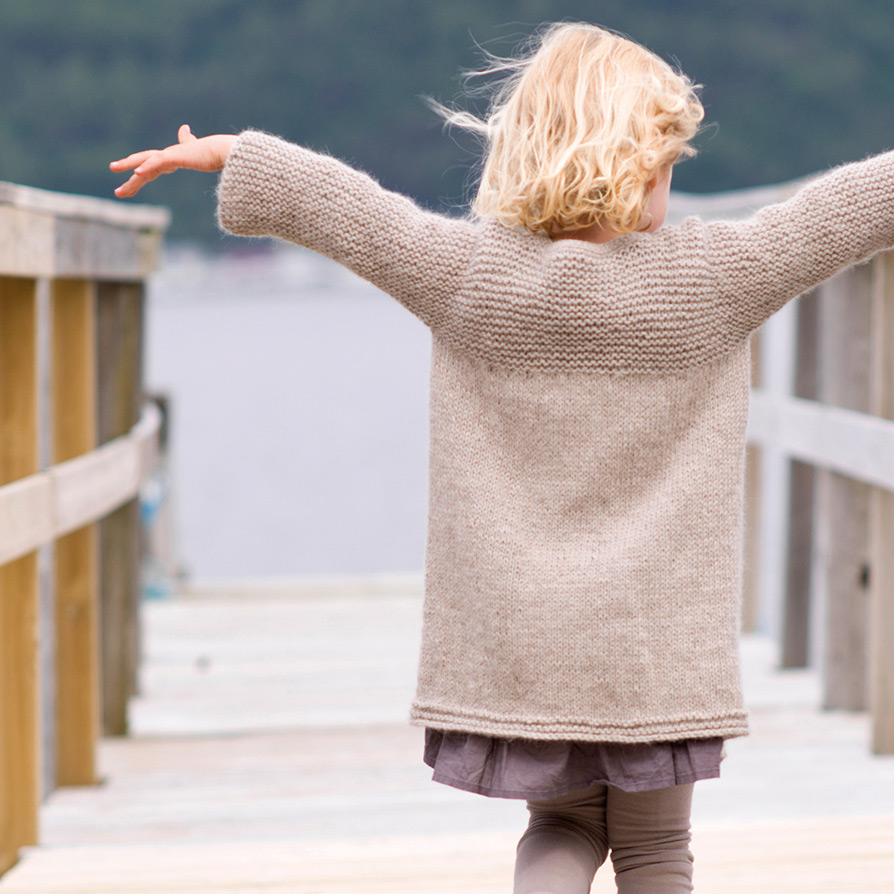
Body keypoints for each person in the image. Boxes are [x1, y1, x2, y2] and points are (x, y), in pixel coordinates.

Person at [111, 22, 894, 894]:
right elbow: (846, 210)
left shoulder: (469, 274)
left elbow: (358, 215)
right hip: (653, 648)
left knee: (557, 825)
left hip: (524, 642)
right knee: (654, 851)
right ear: (637, 165)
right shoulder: (714, 278)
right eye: (669, 163)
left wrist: (236, 156)